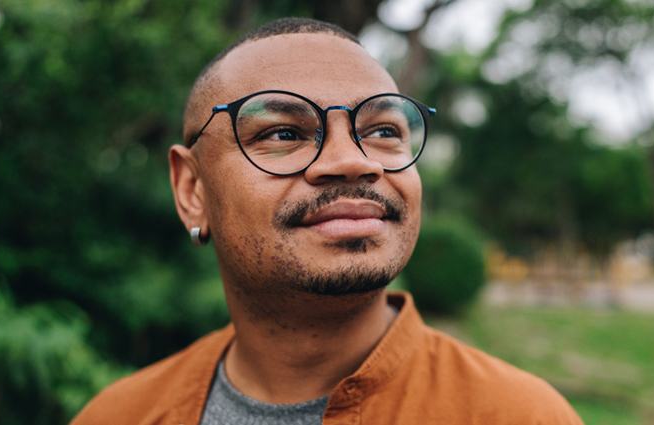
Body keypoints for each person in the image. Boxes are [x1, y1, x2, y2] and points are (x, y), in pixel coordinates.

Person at [70, 17, 583, 425]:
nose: (355, 161)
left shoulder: (520, 416)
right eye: (284, 135)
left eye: (383, 129)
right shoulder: (120, 416)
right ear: (192, 190)